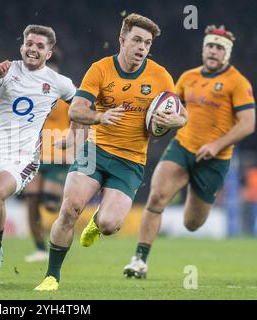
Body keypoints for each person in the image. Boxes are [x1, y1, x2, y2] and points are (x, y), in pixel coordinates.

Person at [34, 13, 188, 291]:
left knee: (108, 224)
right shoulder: (101, 69)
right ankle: (52, 276)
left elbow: (181, 114)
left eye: (148, 43)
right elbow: (77, 109)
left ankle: (97, 222)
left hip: (130, 162)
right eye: (137, 40)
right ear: (122, 40)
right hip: (95, 151)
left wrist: (174, 121)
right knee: (69, 209)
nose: (142, 47)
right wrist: (99, 118)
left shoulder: (160, 75)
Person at [123, 25, 255, 279]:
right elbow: (172, 108)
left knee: (192, 224)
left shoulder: (237, 82)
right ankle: (139, 260)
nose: (213, 51)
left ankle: (193, 193)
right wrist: (164, 121)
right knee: (156, 198)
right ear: (203, 49)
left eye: (219, 48)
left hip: (214, 160)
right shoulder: (188, 77)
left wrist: (217, 144)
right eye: (210, 46)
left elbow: (249, 122)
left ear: (226, 53)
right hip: (182, 148)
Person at [0, 25, 76, 284]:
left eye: (40, 46)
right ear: (22, 46)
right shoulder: (6, 70)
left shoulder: (59, 82)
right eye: (30, 43)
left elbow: (83, 105)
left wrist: (73, 135)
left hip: (24, 155)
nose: (33, 49)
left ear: (49, 53)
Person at [23, 56, 73, 263]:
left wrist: (73, 149)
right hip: (36, 154)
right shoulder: (29, 92)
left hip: (59, 155)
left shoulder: (67, 93)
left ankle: (62, 236)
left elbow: (80, 122)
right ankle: (40, 248)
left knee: (52, 203)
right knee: (31, 198)